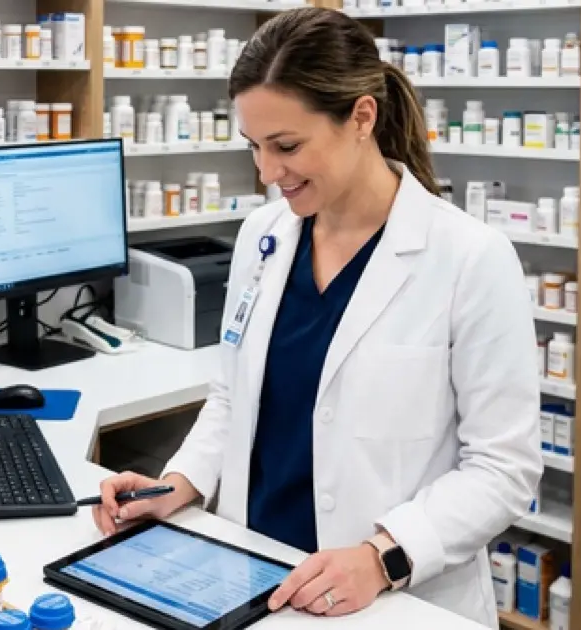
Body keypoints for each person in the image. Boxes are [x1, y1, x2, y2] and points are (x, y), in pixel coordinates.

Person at [91, 8, 541, 627]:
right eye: (253, 146)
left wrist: (383, 556)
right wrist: (179, 485)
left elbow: (503, 468)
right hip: (254, 577)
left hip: (390, 602)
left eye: (287, 146)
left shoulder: (470, 258)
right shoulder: (263, 237)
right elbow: (233, 397)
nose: (267, 173)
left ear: (362, 117)